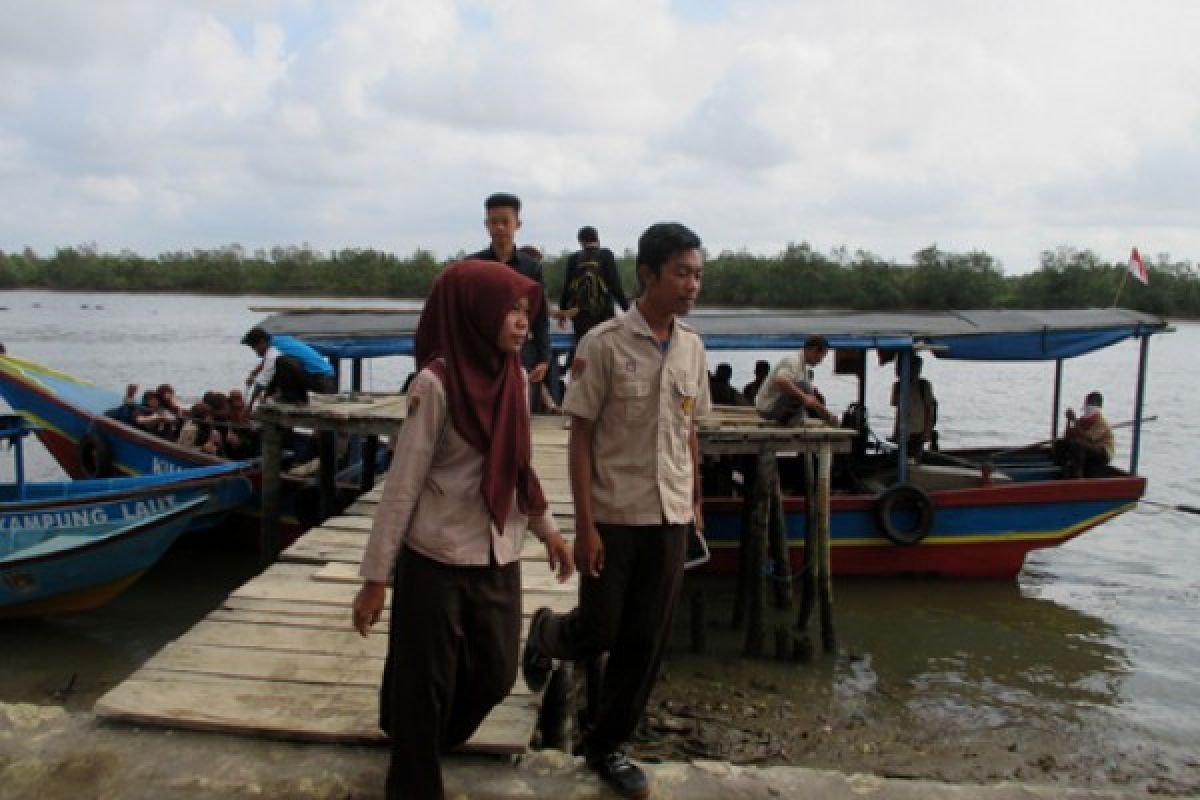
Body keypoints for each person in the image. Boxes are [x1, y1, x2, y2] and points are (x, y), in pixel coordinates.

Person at [351, 260, 574, 799]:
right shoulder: (436, 383)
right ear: (476, 313)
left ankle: (421, 740)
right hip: (435, 552)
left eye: (526, 311)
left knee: (496, 673)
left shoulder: (515, 378)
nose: (522, 322)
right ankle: (413, 777)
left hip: (498, 549)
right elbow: (402, 484)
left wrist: (549, 532)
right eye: (511, 309)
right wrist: (375, 578)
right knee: (424, 683)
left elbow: (519, 466)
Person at [521, 222, 710, 799]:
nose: (692, 284)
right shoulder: (601, 344)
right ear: (648, 275)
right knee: (600, 629)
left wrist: (696, 505)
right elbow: (580, 439)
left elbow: (689, 433)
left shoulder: (693, 347)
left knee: (646, 641)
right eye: (681, 272)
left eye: (698, 274)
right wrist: (585, 527)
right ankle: (545, 632)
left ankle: (608, 745)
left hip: (670, 517)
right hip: (614, 516)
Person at [470, 192, 551, 387]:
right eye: (494, 222)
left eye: (505, 221)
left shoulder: (531, 268)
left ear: (518, 224)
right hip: (481, 355)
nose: (499, 227)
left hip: (521, 353)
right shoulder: (474, 265)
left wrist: (544, 357)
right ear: (486, 225)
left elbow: (540, 315)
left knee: (519, 410)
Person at [553, 226, 630, 361]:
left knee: (583, 353)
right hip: (604, 314)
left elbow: (566, 288)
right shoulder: (606, 254)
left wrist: (562, 314)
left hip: (580, 316)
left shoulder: (574, 258)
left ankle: (581, 380)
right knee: (605, 354)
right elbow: (615, 286)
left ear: (580, 241)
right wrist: (628, 311)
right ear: (597, 238)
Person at [241, 326, 336, 408]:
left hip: (321, 381)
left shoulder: (273, 351)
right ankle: (290, 397)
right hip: (327, 379)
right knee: (278, 365)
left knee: (280, 363)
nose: (256, 352)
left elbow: (263, 380)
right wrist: (253, 373)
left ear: (262, 342)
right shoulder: (280, 340)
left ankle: (291, 398)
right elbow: (266, 362)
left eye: (255, 348)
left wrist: (249, 406)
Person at [754, 336, 838, 426]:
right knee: (804, 386)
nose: (821, 361)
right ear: (814, 351)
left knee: (807, 388)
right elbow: (781, 381)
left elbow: (811, 398)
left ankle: (798, 419)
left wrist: (828, 414)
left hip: (778, 406)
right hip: (768, 408)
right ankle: (788, 420)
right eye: (821, 357)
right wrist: (804, 397)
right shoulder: (793, 360)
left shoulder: (803, 367)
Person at [1055, 391, 1115, 478]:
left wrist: (1074, 420)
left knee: (1078, 445)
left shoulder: (1102, 422)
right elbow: (1068, 435)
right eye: (1088, 403)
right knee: (1061, 443)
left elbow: (1089, 438)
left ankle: (1078, 475)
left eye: (1093, 404)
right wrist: (1068, 421)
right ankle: (1060, 469)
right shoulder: (1082, 421)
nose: (1090, 406)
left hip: (1103, 452)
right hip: (1088, 448)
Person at [890, 355, 937, 456]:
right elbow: (898, 411)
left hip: (918, 430)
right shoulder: (898, 386)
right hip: (904, 430)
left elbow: (930, 410)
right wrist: (896, 431)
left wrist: (927, 432)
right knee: (902, 456)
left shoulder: (923, 385)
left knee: (914, 458)